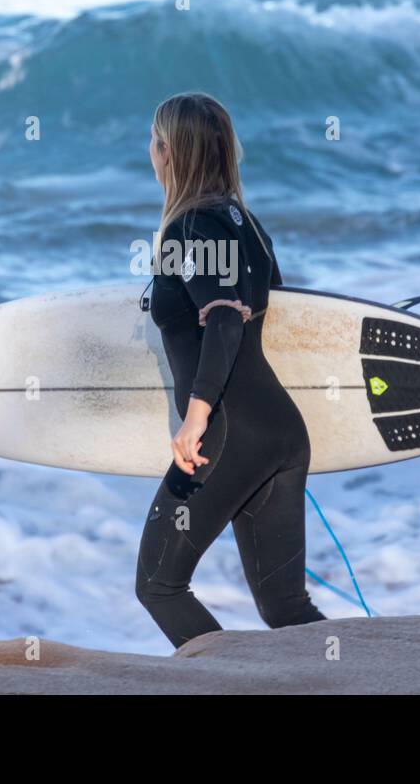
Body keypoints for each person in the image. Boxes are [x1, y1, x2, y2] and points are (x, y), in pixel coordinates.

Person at [135, 91, 327, 648]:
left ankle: (233, 683)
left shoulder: (185, 230)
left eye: (153, 139)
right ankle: (362, 679)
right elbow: (276, 311)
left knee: (158, 586)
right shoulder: (248, 225)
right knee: (285, 606)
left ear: (168, 151)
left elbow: (223, 319)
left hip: (226, 434)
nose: (151, 150)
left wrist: (194, 422)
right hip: (281, 433)